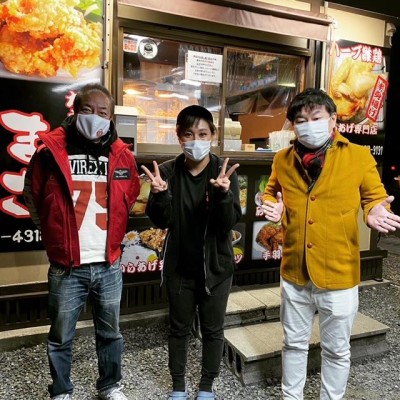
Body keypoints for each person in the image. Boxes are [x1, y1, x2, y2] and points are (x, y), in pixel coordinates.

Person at [261, 87, 400, 400]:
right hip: (295, 271)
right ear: (293, 125)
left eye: (316, 117)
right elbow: (270, 192)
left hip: (339, 270)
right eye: (300, 120)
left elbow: (374, 197)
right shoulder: (282, 159)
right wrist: (271, 204)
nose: (308, 125)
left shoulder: (358, 156)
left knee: (337, 349)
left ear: (333, 119)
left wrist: (375, 211)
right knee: (293, 344)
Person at [23, 83, 140, 400]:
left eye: (103, 112)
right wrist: (53, 235)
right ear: (74, 112)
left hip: (108, 264)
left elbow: (129, 197)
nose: (95, 116)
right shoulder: (50, 151)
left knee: (111, 333)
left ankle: (110, 386)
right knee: (61, 335)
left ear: (111, 117)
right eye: (88, 109)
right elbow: (33, 196)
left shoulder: (121, 155)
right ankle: (61, 390)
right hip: (66, 266)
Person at [141, 105, 242, 400]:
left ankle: (207, 387)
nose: (195, 140)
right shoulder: (168, 172)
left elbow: (227, 223)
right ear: (179, 137)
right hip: (180, 268)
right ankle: (178, 387)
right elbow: (162, 221)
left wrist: (223, 195)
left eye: (202, 134)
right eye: (188, 134)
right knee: (178, 329)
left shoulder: (223, 172)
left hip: (216, 269)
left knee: (213, 330)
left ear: (213, 135)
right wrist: (160, 195)